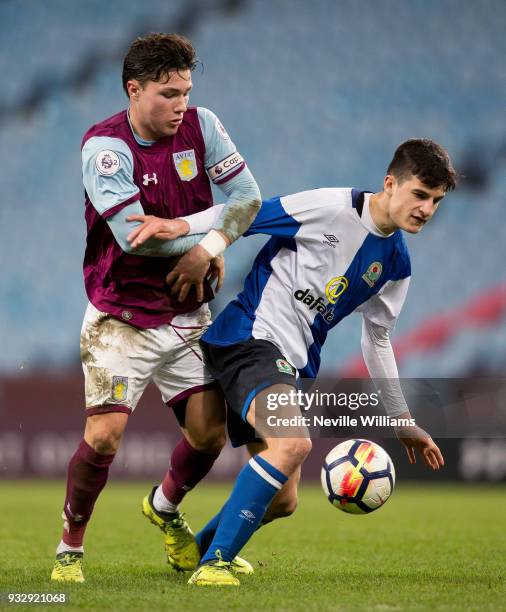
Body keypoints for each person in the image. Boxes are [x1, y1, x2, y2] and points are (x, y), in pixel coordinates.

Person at [140, 138, 455, 586]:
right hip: (252, 338)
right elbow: (247, 213)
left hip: (293, 363)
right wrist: (180, 229)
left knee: (284, 500)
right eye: (420, 194)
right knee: (292, 445)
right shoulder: (330, 207)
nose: (426, 208)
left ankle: (202, 550)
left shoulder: (396, 263)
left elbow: (378, 338)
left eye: (436, 201)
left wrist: (401, 419)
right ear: (391, 183)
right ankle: (214, 567)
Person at [50, 33, 261, 583]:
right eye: (169, 94)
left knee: (210, 435)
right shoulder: (105, 148)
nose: (181, 105)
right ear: (134, 90)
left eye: (187, 92)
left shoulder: (203, 126)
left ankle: (164, 507)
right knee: (104, 438)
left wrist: (205, 246)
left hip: (188, 312)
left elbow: (250, 200)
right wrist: (199, 242)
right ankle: (70, 547)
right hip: (121, 316)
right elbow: (134, 239)